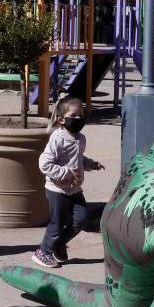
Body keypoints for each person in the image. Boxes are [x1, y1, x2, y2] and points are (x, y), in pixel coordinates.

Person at [33, 97, 104, 268]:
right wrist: (65, 173)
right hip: (56, 189)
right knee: (56, 223)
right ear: (61, 119)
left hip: (74, 189)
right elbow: (45, 164)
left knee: (82, 218)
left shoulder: (81, 138)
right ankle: (43, 252)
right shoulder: (58, 139)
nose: (79, 118)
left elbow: (78, 158)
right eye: (74, 115)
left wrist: (90, 164)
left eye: (81, 115)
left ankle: (59, 243)